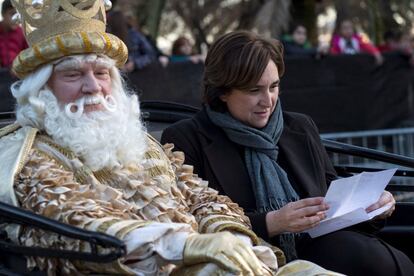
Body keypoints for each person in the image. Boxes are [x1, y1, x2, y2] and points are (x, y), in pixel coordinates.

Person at [0, 1, 341, 275]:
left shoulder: (141, 143)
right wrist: (188, 246)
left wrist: (232, 236)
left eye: (101, 73)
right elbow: (76, 222)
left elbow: (201, 198)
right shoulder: (27, 155)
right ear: (42, 88)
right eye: (73, 75)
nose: (93, 87)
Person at [161, 30, 414, 276]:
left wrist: (372, 205)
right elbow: (190, 224)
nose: (268, 100)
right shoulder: (186, 138)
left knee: (372, 257)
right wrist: (273, 222)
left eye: (274, 86)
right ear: (223, 91)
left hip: (334, 249)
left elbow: (331, 195)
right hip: (250, 261)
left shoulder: (299, 127)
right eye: (254, 90)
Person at [0, 0, 28, 67]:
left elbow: (28, 54)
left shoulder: (22, 33)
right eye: (12, 14)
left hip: (17, 73)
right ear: (3, 14)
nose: (16, 18)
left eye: (18, 15)